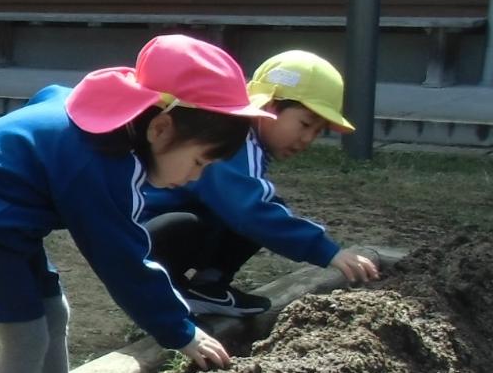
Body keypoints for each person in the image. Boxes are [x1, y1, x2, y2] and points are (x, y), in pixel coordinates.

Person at [0, 34, 273, 373]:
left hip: (8, 216)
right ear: (161, 128)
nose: (196, 177)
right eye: (199, 162)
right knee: (26, 334)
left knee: (55, 312)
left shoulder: (103, 122)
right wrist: (181, 331)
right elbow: (123, 261)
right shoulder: (103, 164)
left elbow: (48, 98)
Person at [141, 49, 381, 317]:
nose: (307, 139)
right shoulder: (230, 137)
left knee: (267, 209)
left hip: (160, 229)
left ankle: (208, 286)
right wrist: (327, 251)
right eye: (305, 123)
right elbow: (248, 210)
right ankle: (166, 293)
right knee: (253, 213)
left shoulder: (247, 140)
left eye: (317, 131)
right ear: (269, 105)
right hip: (145, 235)